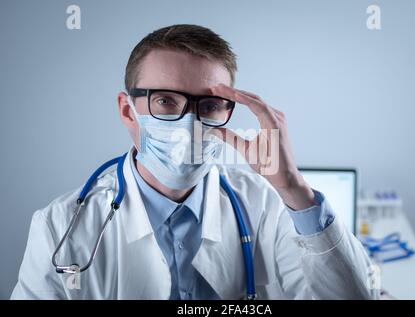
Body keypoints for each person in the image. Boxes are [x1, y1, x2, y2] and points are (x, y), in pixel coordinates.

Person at [11, 24, 373, 300]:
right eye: (166, 101)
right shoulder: (59, 227)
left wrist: (293, 189)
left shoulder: (266, 206)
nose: (189, 123)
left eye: (210, 104)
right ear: (127, 110)